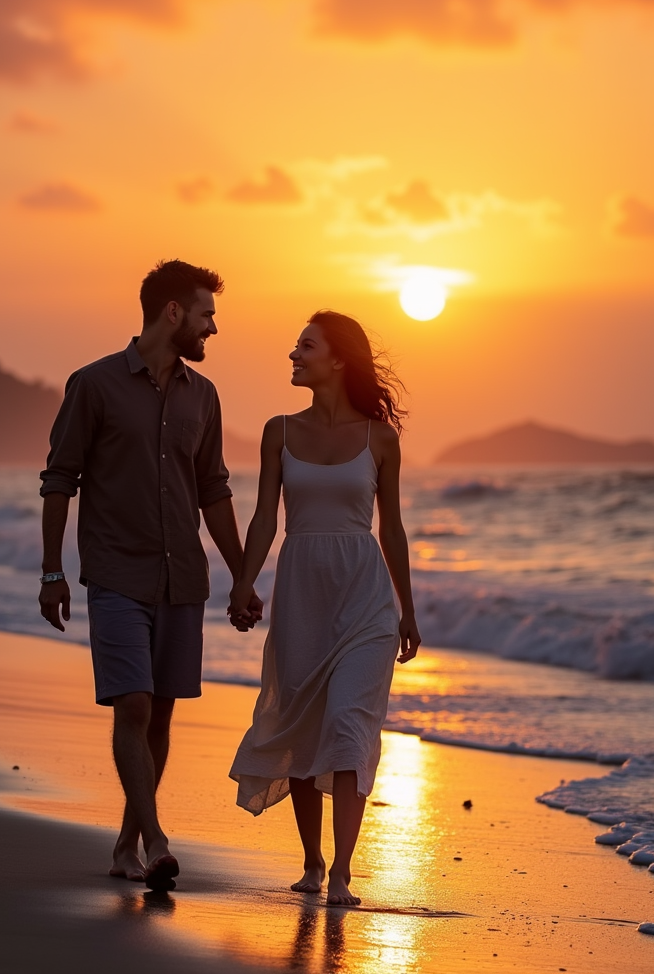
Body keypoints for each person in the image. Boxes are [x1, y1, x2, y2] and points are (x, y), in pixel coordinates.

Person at [39, 259, 262, 891]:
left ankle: (126, 844)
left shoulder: (204, 397)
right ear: (173, 313)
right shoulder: (94, 385)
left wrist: (242, 578)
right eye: (206, 314)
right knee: (131, 704)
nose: (213, 328)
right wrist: (52, 569)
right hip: (114, 572)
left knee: (160, 714)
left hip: (181, 579)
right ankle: (158, 838)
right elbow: (60, 480)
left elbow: (213, 491)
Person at [228, 310, 420, 907]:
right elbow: (265, 516)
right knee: (302, 726)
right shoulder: (278, 431)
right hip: (302, 594)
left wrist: (407, 611)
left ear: (338, 359)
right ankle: (311, 862)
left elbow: (392, 530)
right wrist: (242, 581)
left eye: (305, 346)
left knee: (346, 725)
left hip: (365, 600)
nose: (293, 354)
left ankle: (341, 872)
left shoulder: (380, 439)